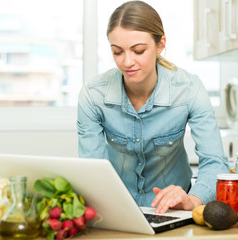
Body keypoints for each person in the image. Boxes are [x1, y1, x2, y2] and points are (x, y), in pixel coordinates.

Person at [77, 0, 229, 213]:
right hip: (118, 211)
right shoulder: (93, 95)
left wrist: (192, 201)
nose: (127, 62)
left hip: (175, 212)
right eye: (117, 52)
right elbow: (91, 170)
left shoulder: (189, 89)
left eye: (138, 50)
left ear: (160, 44)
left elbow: (215, 163)